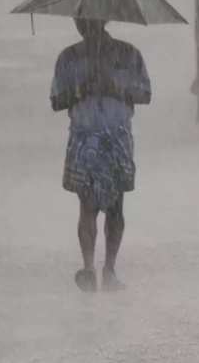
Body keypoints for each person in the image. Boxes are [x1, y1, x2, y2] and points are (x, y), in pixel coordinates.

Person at [50, 18, 151, 292]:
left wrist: (113, 87)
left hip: (116, 137)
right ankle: (88, 267)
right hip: (84, 137)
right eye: (82, 21)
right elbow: (56, 101)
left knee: (115, 206)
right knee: (88, 206)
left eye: (89, 20)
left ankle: (109, 268)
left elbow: (145, 94)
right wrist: (82, 89)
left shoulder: (128, 55)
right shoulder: (69, 58)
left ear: (103, 20)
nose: (85, 26)